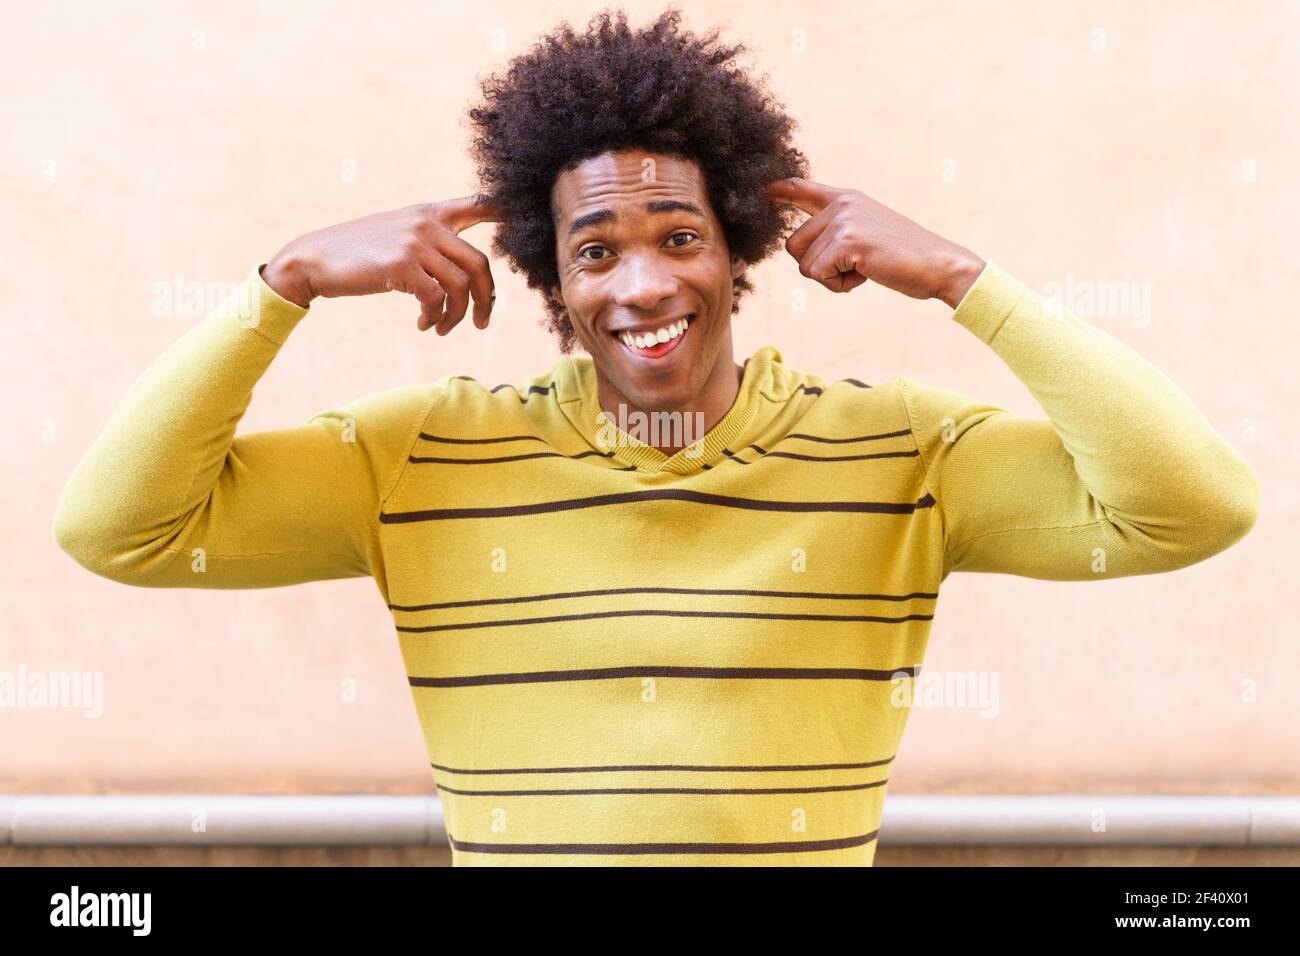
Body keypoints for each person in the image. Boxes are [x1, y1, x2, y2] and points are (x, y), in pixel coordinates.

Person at [52, 7, 1259, 866]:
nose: (641, 284)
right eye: (595, 250)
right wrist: (286, 281)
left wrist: (959, 277)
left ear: (738, 248)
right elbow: (123, 529)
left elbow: (1190, 507)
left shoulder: (902, 452)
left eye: (679, 236)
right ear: (549, 276)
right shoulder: (418, 454)